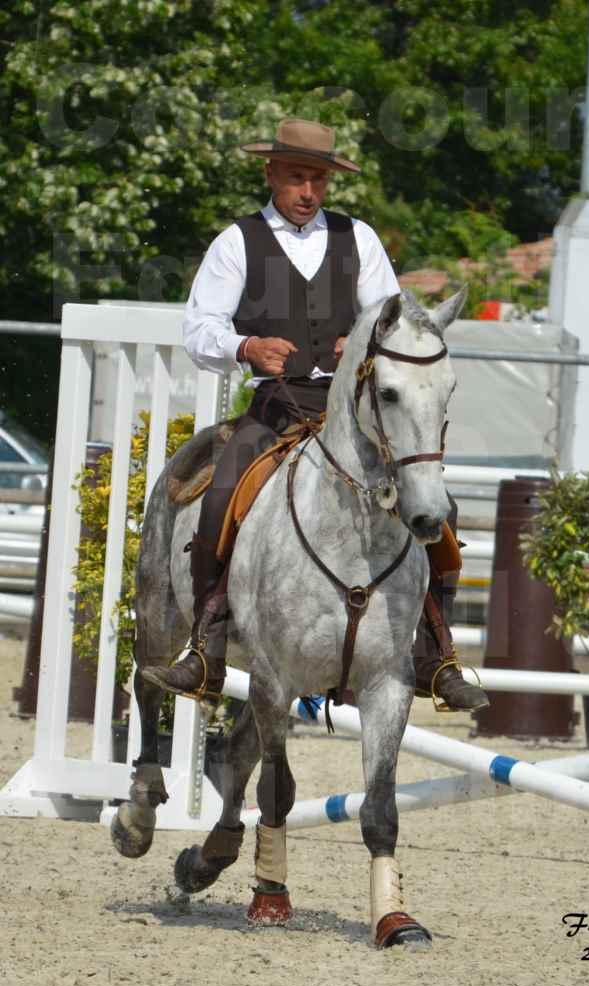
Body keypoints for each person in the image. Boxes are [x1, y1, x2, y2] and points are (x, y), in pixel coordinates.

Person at [142, 117, 488, 713]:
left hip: (351, 415)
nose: (309, 191)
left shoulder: (360, 239)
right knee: (225, 491)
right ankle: (207, 645)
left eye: (319, 181)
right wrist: (246, 348)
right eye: (298, 177)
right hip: (276, 407)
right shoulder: (237, 242)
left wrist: (362, 345)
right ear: (270, 172)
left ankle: (436, 652)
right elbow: (199, 329)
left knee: (438, 507)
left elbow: (390, 319)